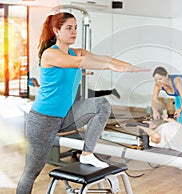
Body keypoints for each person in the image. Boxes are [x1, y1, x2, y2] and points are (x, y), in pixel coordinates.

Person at [17, 12, 149, 194]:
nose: (74, 32)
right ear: (56, 31)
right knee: (32, 172)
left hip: (66, 115)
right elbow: (80, 62)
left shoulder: (75, 51)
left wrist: (129, 67)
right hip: (42, 121)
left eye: (76, 28)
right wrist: (110, 67)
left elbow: (102, 58)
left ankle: (87, 154)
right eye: (69, 28)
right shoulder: (50, 55)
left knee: (102, 105)